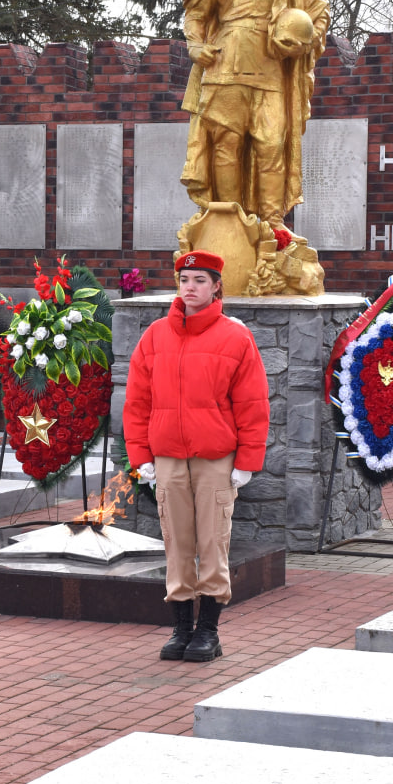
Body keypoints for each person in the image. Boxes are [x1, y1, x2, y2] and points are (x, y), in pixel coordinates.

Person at [123, 250, 269, 662]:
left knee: (213, 542)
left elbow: (253, 404)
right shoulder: (154, 336)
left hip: (214, 460)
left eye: (200, 280)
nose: (190, 287)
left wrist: (246, 462)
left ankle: (208, 632)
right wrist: (141, 456)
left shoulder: (236, 337)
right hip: (168, 458)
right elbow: (137, 402)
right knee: (177, 545)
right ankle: (180, 629)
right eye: (185, 279)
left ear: (217, 286)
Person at [180, 0, 330, 230]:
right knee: (226, 144)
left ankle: (273, 223)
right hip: (225, 65)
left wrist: (305, 42)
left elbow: (318, 10)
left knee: (272, 144)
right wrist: (194, 45)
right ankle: (229, 221)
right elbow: (196, 15)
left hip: (271, 67)